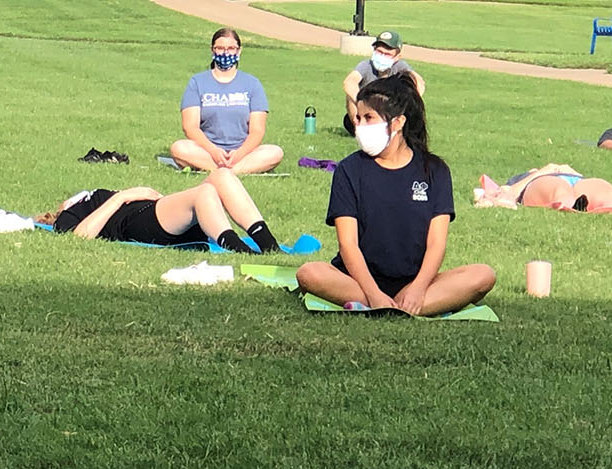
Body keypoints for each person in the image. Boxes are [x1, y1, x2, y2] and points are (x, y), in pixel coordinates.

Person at [297, 76, 495, 315]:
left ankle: (398, 305)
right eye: (357, 118)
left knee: (483, 275)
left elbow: (436, 243)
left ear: (398, 122)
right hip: (357, 281)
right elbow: (348, 244)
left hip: (415, 280)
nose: (359, 125)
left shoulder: (434, 171)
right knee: (309, 273)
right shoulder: (349, 170)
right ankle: (390, 306)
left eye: (369, 118)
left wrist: (418, 288)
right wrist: (373, 292)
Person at [36, 170, 286, 253]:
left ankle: (269, 245)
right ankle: (238, 249)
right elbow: (79, 238)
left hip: (155, 214)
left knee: (221, 175)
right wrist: (123, 196)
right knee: (204, 194)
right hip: (139, 221)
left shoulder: (91, 198)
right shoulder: (72, 213)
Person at [169, 28, 283, 174]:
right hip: (207, 151)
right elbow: (190, 127)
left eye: (231, 48)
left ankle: (224, 170)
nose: (225, 53)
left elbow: (257, 130)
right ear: (212, 50)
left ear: (239, 51)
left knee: (274, 152)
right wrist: (214, 151)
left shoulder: (252, 83)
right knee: (179, 148)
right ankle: (233, 170)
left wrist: (239, 154)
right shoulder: (197, 82)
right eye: (220, 48)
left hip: (243, 153)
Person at [474, 165, 612, 214]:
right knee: (559, 191)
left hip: (574, 179)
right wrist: (544, 170)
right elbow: (505, 194)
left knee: (603, 190)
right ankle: (574, 205)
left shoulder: (541, 174)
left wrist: (554, 168)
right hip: (550, 179)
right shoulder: (521, 181)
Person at [341, 30, 424, 135]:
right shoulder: (366, 66)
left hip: (388, 114)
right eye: (379, 52)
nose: (382, 56)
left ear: (397, 57)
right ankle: (360, 129)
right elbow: (349, 82)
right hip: (364, 114)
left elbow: (419, 83)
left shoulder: (399, 67)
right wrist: (365, 102)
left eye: (387, 54)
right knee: (349, 96)